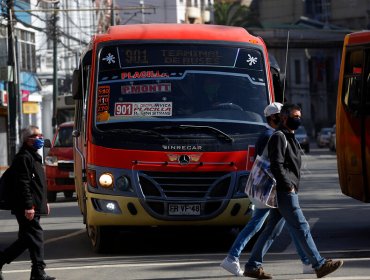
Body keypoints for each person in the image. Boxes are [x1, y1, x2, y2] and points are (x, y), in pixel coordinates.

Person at [243, 104, 343, 279]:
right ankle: (319, 264)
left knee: (271, 230)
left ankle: (252, 266)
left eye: (299, 116)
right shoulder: (279, 137)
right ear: (283, 117)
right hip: (284, 191)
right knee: (302, 226)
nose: (297, 119)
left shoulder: (289, 136)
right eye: (295, 116)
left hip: (285, 190)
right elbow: (277, 165)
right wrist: (287, 185)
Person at [220, 102, 290, 276]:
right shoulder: (270, 135)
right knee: (263, 224)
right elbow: (273, 163)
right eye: (282, 116)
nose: (284, 119)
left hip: (265, 188)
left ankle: (239, 259)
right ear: (274, 117)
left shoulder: (268, 133)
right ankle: (233, 257)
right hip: (267, 188)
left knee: (267, 225)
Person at [0, 126, 56, 280]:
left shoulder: (34, 156)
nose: (40, 138)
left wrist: (44, 203)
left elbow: (38, 184)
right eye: (36, 136)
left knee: (27, 240)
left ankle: (35, 272)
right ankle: (39, 271)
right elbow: (23, 184)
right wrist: (28, 206)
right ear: (27, 140)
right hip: (26, 207)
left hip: (35, 205)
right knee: (36, 237)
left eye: (41, 135)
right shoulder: (24, 157)